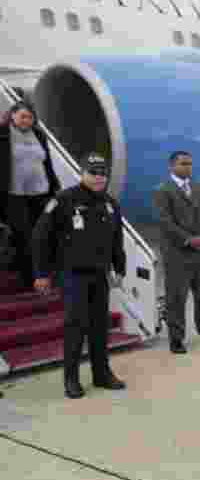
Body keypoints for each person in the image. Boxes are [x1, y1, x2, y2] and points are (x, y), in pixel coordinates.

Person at [32, 153, 127, 399]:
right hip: (73, 274)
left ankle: (102, 374)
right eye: (93, 173)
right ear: (82, 173)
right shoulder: (64, 200)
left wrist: (120, 268)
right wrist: (41, 273)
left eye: (102, 173)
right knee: (75, 326)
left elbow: (116, 239)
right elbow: (40, 237)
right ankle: (71, 380)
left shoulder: (110, 203)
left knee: (99, 327)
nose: (98, 178)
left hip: (99, 274)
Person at [152, 151, 200, 354]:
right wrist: (188, 239)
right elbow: (165, 221)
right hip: (177, 253)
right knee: (176, 297)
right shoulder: (163, 191)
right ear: (172, 166)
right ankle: (176, 339)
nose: (188, 167)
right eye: (183, 164)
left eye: (190, 164)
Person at [1, 100, 61, 289]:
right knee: (23, 234)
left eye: (30, 117)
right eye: (23, 116)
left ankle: (39, 273)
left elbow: (47, 163)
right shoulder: (3, 134)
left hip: (41, 193)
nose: (27, 120)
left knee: (42, 235)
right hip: (14, 194)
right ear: (12, 115)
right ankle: (29, 277)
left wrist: (54, 186)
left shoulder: (39, 135)